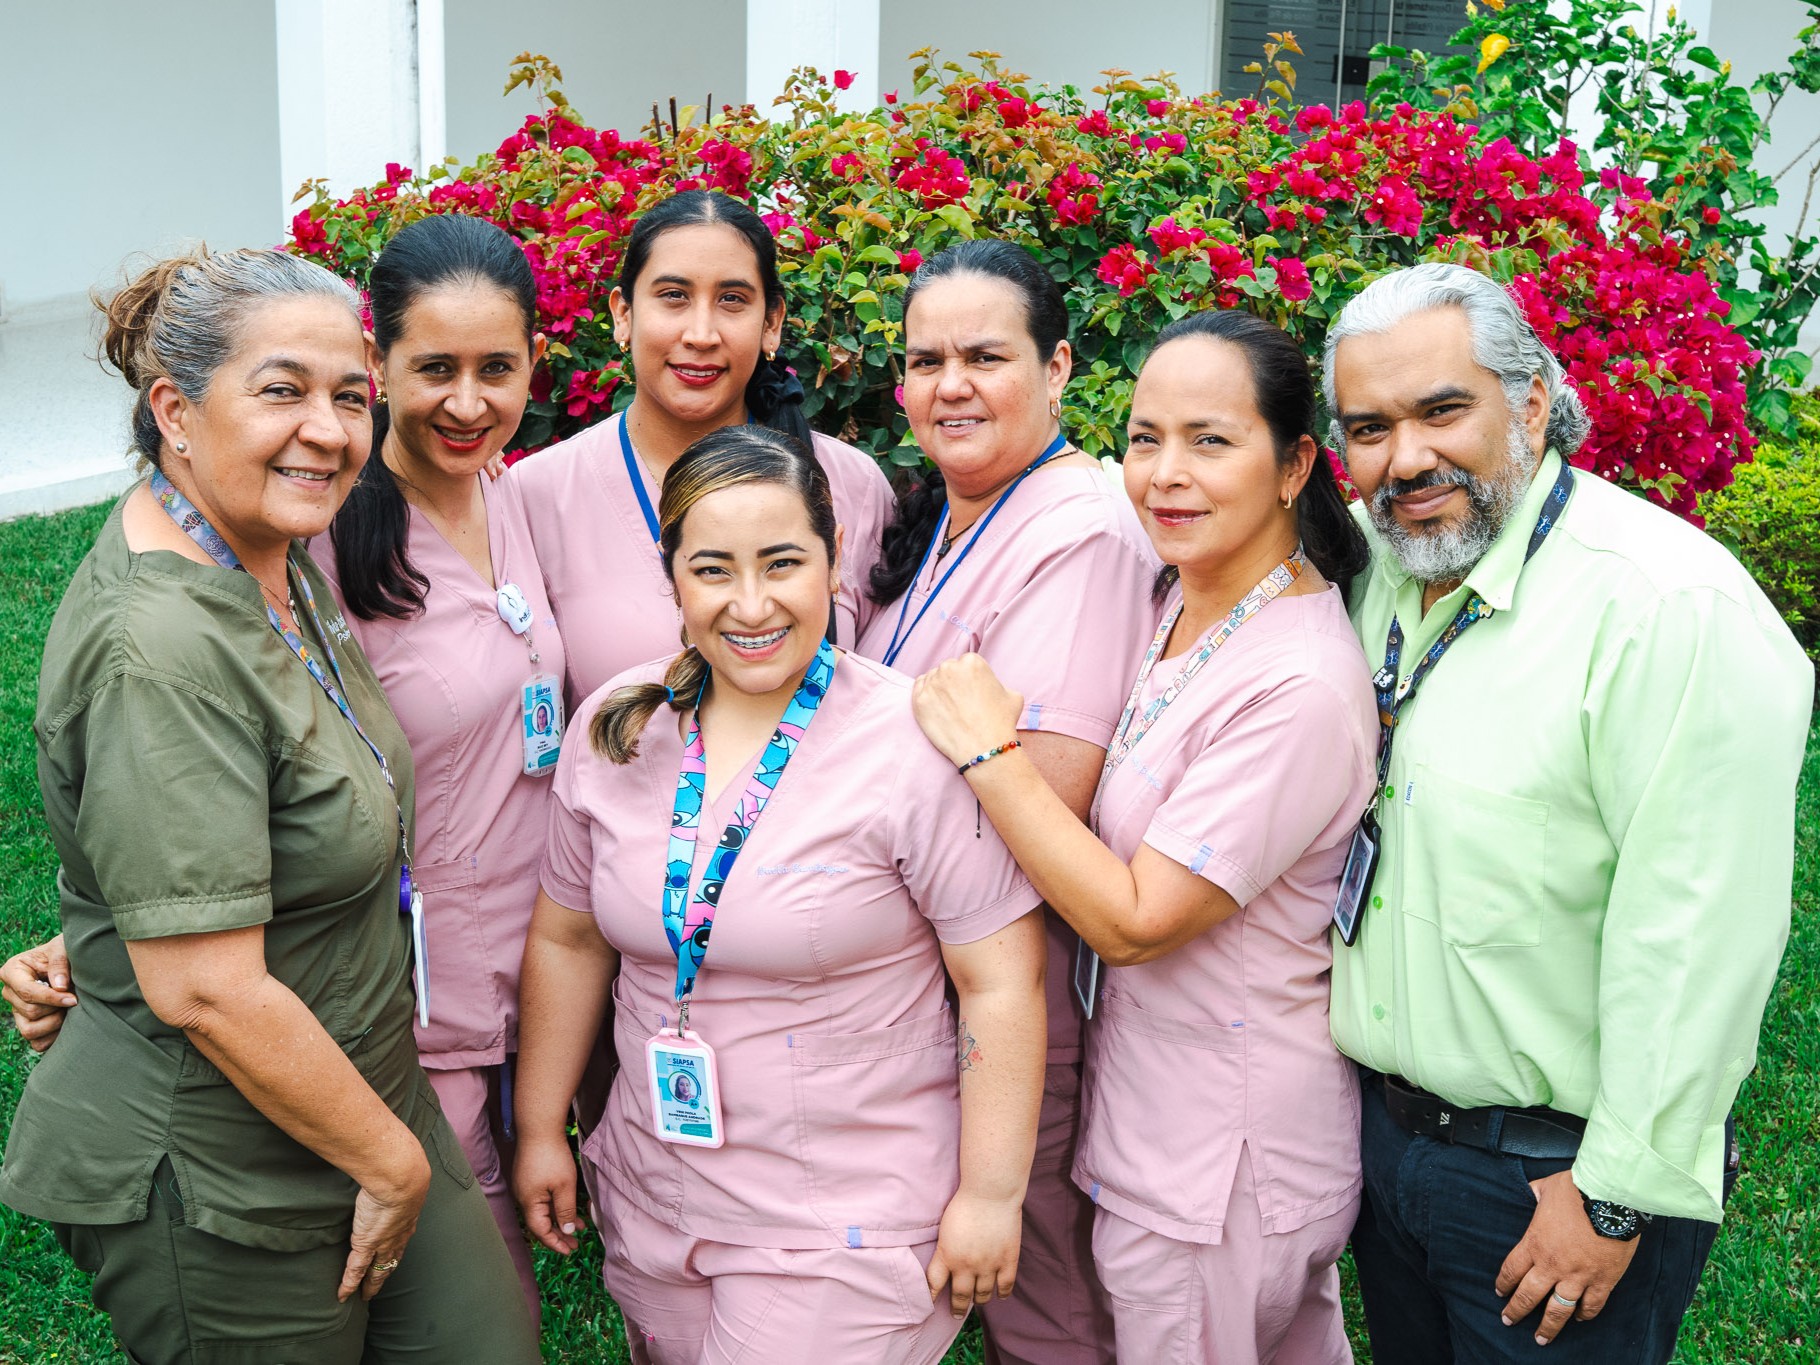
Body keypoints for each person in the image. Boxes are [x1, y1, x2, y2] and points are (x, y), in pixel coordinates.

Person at [0, 247, 538, 1363]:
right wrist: (387, 1164)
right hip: (218, 1162)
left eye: (350, 396)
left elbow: (226, 824)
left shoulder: (270, 553)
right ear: (175, 411)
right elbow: (202, 983)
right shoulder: (159, 650)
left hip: (366, 1091)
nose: (332, 431)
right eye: (282, 389)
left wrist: (105, 919)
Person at [1321, 262, 1813, 1363]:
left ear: (1532, 400)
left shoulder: (1665, 608)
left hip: (1554, 1180)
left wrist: (1612, 1199)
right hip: (1388, 1148)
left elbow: (1699, 936)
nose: (1404, 459)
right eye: (1367, 427)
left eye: (1441, 410)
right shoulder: (1389, 574)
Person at [509, 425, 1048, 1365]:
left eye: (783, 562)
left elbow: (1001, 982)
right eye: (713, 569)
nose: (750, 603)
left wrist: (992, 1193)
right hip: (657, 1190)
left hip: (843, 1217)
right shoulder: (619, 727)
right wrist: (538, 1123)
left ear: (834, 559)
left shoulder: (908, 743)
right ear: (670, 576)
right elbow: (569, 937)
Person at [913, 309, 1377, 1364]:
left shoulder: (1295, 684)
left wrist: (991, 756)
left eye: (1209, 442)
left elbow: (1134, 920)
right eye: (1142, 438)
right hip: (1158, 1137)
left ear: (1294, 462)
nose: (1164, 474)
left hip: (1219, 1166)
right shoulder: (1182, 602)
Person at [855, 238, 1157, 1365]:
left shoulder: (1079, 529)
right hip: (929, 988)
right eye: (926, 359)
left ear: (1060, 366)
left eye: (985, 355)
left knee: (1046, 1313)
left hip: (1017, 992)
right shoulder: (945, 512)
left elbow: (1048, 797)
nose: (951, 385)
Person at [312, 210, 566, 1318]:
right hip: (416, 996)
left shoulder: (514, 496)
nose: (468, 403)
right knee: (471, 1310)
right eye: (434, 370)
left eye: (495, 369)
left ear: (534, 366)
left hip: (550, 969)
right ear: (375, 364)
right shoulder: (325, 541)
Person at [512, 189, 895, 702]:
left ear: (772, 322)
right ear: (623, 314)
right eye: (673, 295)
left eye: (732, 300)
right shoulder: (536, 496)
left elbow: (879, 699)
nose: (701, 333)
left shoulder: (852, 483)